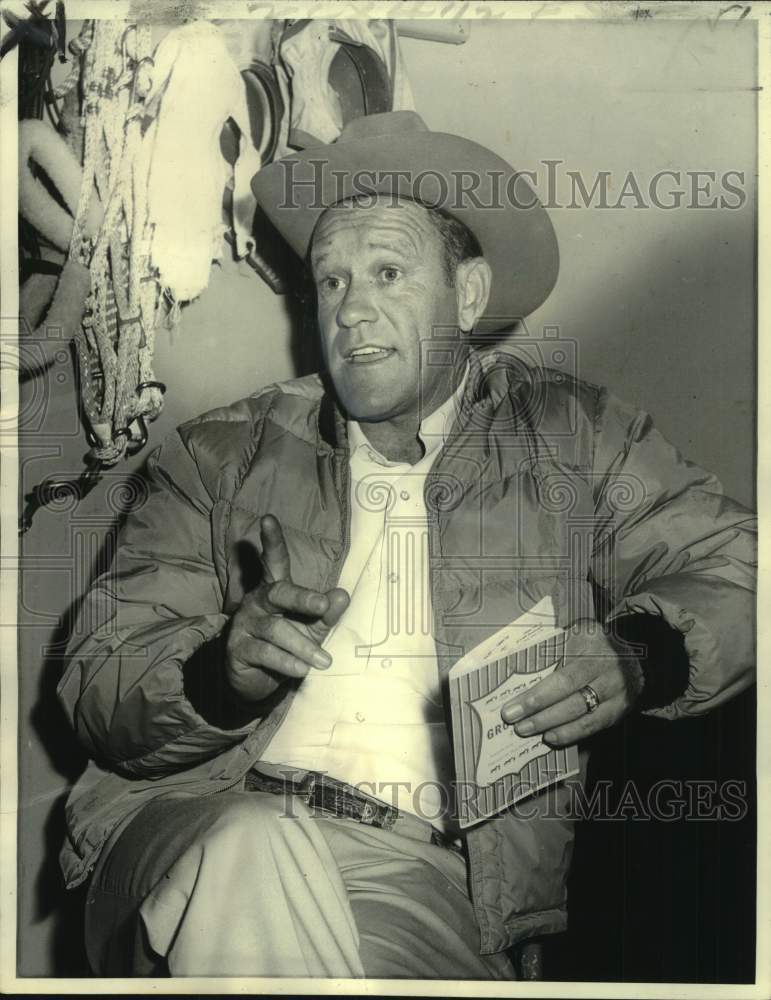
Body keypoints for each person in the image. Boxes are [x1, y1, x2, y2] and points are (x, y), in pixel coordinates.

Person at [58, 111, 756, 978]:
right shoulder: (217, 458)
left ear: (466, 296)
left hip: (428, 877)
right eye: (332, 282)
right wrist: (217, 674)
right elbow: (97, 684)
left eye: (387, 272)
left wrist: (641, 653)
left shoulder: (573, 436)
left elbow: (737, 567)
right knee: (253, 845)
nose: (351, 312)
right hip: (193, 831)